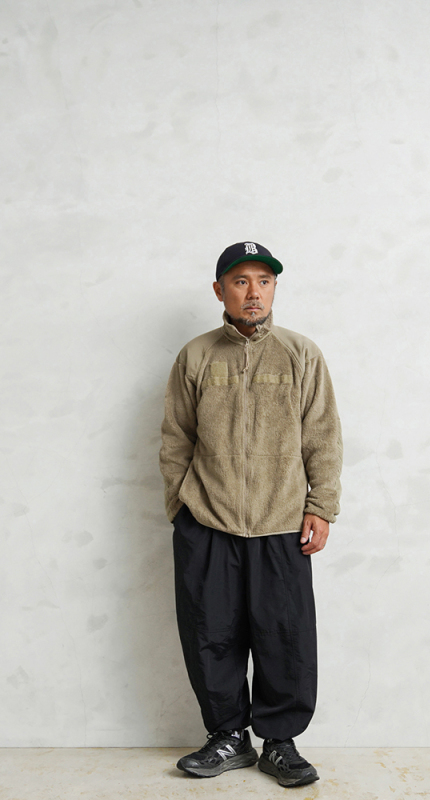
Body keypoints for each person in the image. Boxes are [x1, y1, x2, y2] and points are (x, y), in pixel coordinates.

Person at [159, 241, 343, 787]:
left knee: (285, 634)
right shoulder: (196, 356)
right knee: (209, 632)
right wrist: (181, 508)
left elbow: (323, 436)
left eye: (264, 280)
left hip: (281, 521)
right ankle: (228, 737)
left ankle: (280, 743)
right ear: (220, 291)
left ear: (275, 288)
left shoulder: (300, 354)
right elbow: (175, 438)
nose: (253, 292)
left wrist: (321, 506)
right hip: (206, 521)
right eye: (241, 281)